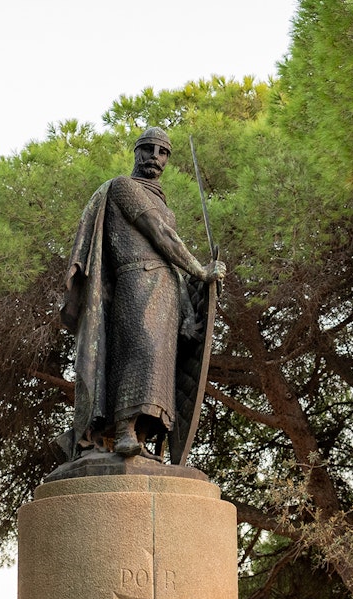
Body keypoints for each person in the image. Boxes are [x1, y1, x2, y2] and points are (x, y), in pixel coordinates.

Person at [60, 127, 225, 460]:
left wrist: (189, 301)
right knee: (141, 350)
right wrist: (201, 270)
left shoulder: (164, 202)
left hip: (167, 288)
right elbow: (160, 234)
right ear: (136, 152)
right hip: (136, 281)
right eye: (148, 148)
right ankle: (122, 431)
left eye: (163, 151)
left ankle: (141, 437)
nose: (155, 156)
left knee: (162, 365)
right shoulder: (125, 187)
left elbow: (169, 251)